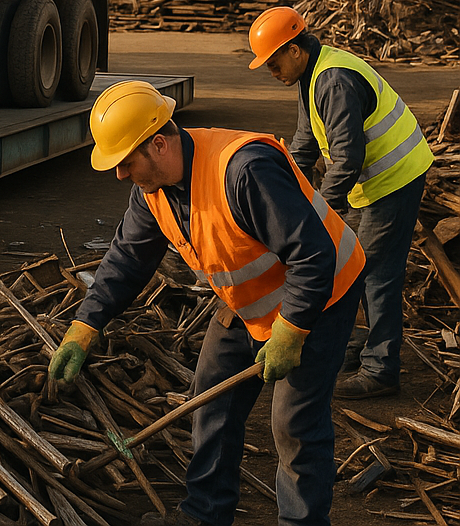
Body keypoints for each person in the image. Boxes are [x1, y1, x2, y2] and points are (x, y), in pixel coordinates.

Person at [48, 80, 365, 526]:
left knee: (293, 422)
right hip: (248, 304)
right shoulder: (152, 190)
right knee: (211, 398)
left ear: (158, 144)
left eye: (125, 162)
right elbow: (127, 259)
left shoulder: (244, 171)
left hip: (322, 295)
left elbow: (313, 256)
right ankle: (205, 514)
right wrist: (86, 325)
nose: (120, 174)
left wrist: (291, 330)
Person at [248, 6, 434, 400]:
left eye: (274, 60)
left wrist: (316, 212)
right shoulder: (310, 76)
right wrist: (285, 193)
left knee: (374, 272)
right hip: (372, 183)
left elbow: (347, 157)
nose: (271, 71)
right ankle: (362, 343)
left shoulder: (333, 80)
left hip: (394, 178)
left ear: (296, 49)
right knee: (354, 265)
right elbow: (304, 142)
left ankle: (381, 367)